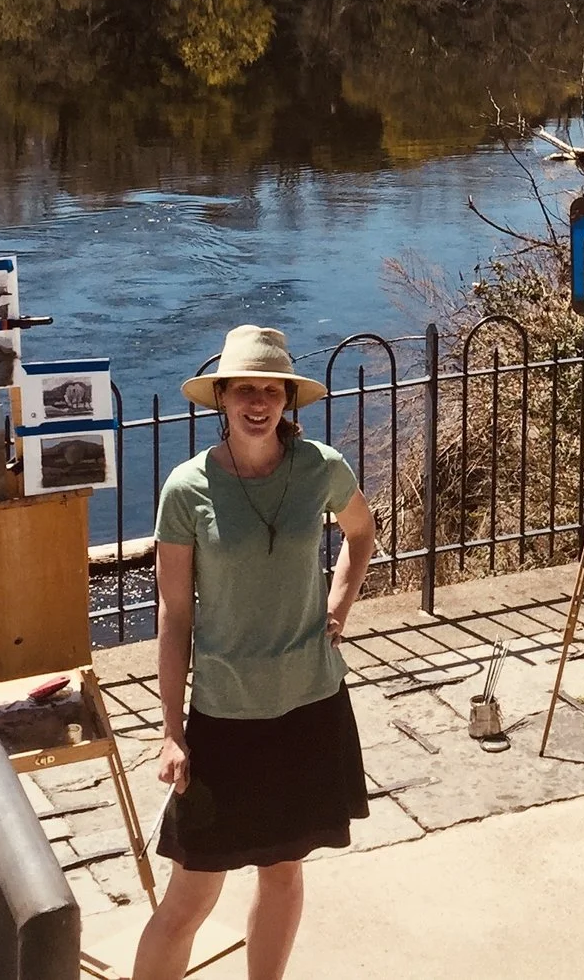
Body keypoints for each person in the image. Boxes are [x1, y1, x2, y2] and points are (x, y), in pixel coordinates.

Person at [135, 326, 378, 980]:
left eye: (271, 390)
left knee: (283, 871)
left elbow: (361, 532)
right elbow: (174, 614)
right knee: (191, 895)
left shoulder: (321, 467)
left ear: (286, 399)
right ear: (222, 397)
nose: (258, 402)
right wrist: (170, 731)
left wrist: (338, 605)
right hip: (224, 716)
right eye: (245, 389)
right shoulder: (186, 489)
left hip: (309, 705)